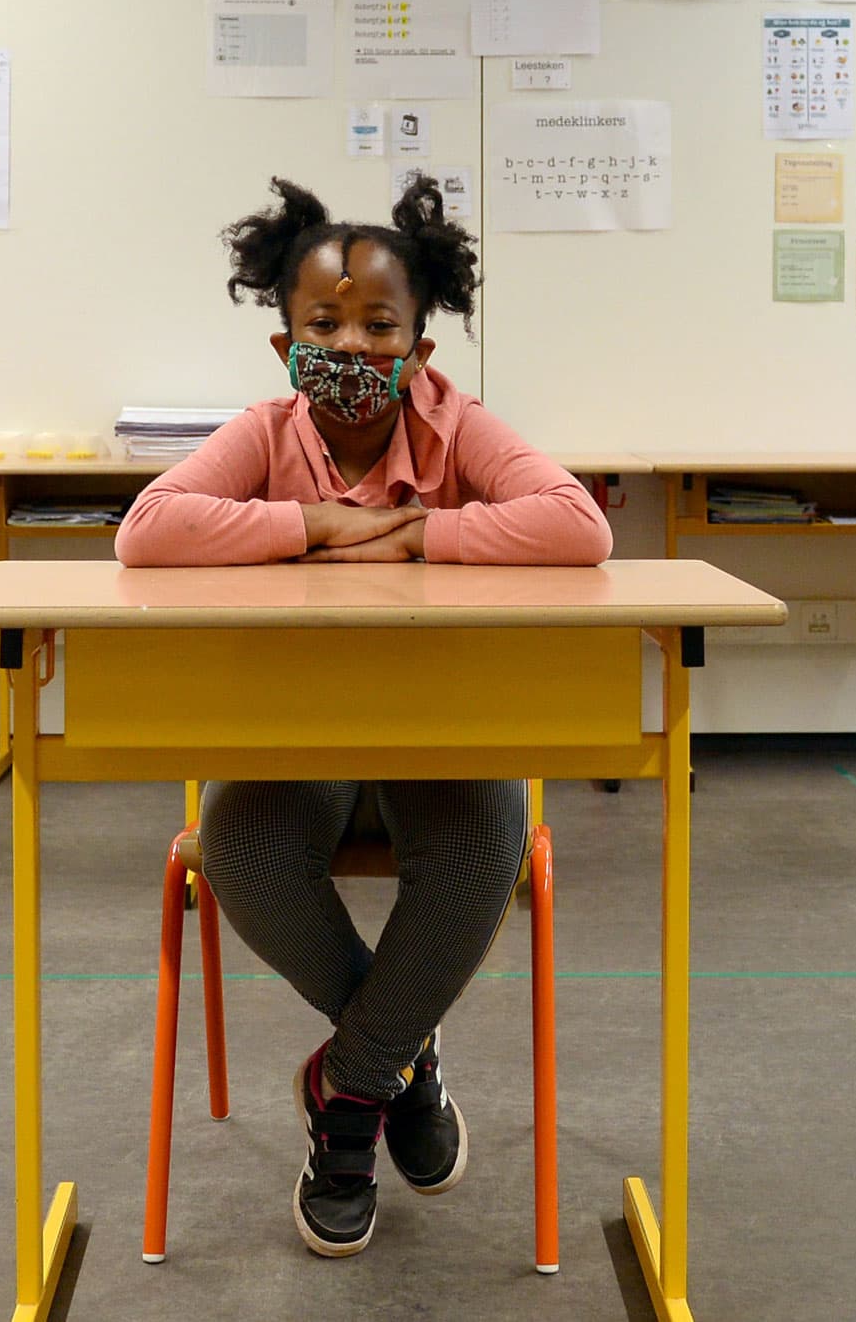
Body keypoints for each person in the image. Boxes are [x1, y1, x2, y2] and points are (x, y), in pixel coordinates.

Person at [115, 174, 612, 1258]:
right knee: (237, 843)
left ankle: (347, 1096)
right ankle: (397, 1059)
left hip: (442, 724)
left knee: (484, 846)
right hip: (296, 728)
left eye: (379, 325)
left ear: (421, 348)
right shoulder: (265, 426)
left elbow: (577, 526)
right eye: (322, 323)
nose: (350, 342)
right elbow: (147, 532)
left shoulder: (455, 426)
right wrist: (319, 525)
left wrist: (420, 536)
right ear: (284, 342)